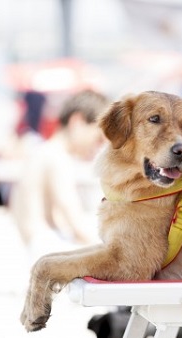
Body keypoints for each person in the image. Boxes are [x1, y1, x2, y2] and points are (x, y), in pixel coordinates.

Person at [10, 89, 110, 261]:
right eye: (98, 138)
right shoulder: (56, 157)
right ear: (77, 122)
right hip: (45, 247)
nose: (98, 147)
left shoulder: (43, 152)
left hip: (38, 245)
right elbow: (71, 216)